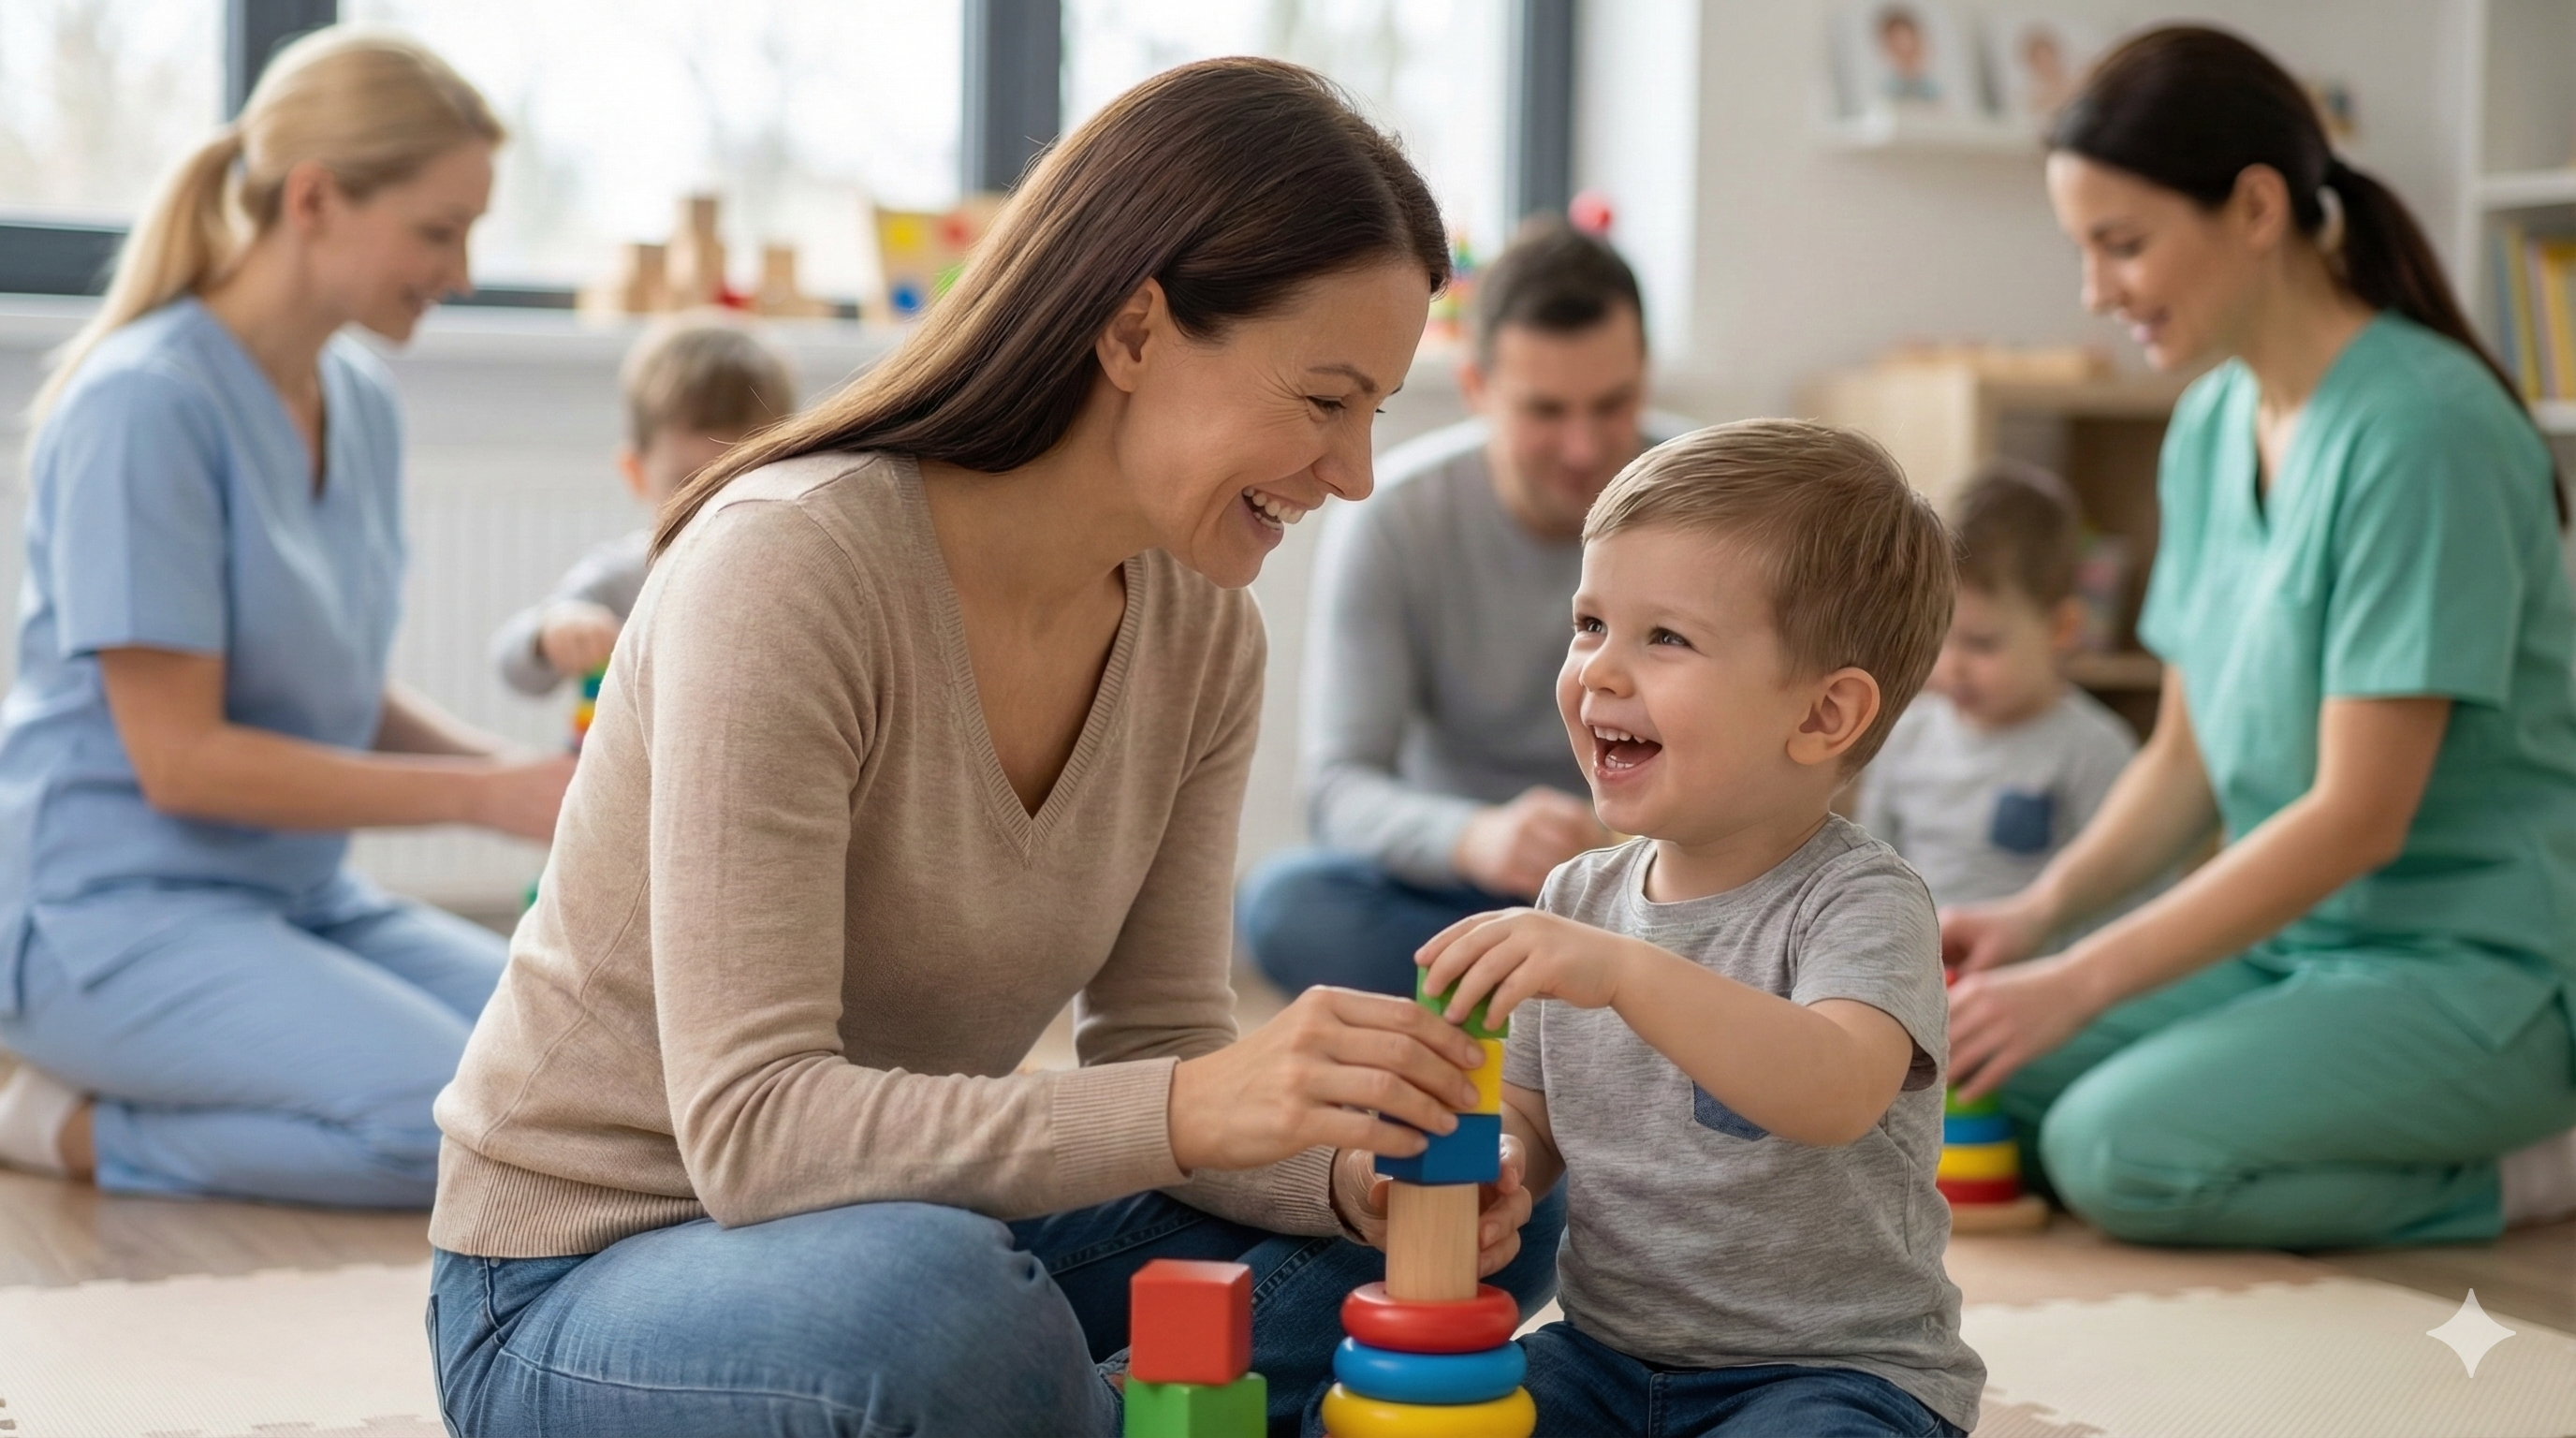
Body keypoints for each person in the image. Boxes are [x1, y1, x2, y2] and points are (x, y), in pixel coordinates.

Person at [426, 59, 1562, 1438]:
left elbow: (1155, 1041)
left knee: (1476, 1210)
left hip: (911, 1222)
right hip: (585, 1279)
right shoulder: (792, 567)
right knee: (938, 1310)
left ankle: (1075, 1408)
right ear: (1134, 332)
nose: (1357, 471)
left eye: (1377, 411)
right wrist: (1207, 1106)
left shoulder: (1202, 632)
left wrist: (1341, 1177)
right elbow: (756, 1135)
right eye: (1326, 400)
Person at [1943, 25, 2576, 1248]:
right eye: (2082, 249)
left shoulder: (2421, 431)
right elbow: (2185, 759)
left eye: (2121, 245)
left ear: (2254, 207)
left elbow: (2359, 816)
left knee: (2113, 1151)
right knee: (1961, 1072)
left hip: (2481, 969)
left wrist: (2083, 976)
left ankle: (2535, 1167)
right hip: (2294, 950)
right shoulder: (2210, 422)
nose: (2094, 291)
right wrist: (2040, 916)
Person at [0, 30, 570, 1208]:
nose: (459, 270)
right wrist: (484, 797)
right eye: (437, 229)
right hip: (96, 914)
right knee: (451, 1134)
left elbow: (325, 685)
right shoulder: (143, 407)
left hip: (296, 895)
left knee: (584, 1074)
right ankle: (55, 1123)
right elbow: (182, 759)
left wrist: (533, 780)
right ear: (313, 198)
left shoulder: (354, 396)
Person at [1411, 420, 1981, 1438]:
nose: (1600, 673)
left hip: (1831, 1376)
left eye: (1663, 638)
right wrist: (1502, 1167)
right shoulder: (1576, 898)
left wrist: (1626, 974)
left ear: (1822, 717)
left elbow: (1837, 1088)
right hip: (1602, 1359)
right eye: (1589, 625)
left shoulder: (1860, 901)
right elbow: (1538, 1123)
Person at [1239, 223, 1681, 997]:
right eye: (1546, 411)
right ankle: (1607, 1014)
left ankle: (1527, 1013)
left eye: (1612, 405)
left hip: (1664, 884)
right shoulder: (1397, 518)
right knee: (1287, 906)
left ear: (1646, 376)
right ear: (1477, 387)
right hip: (1475, 888)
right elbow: (1341, 789)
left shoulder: (1716, 510)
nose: (1583, 448)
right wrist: (1476, 837)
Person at [1856, 461, 2142, 918]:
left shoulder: (2095, 751)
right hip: (1913, 962)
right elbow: (1863, 869)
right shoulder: (1903, 735)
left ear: (2062, 628)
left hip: (2032, 973)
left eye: (1981, 643)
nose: (1952, 665)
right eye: (1936, 638)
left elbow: (2127, 899)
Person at [491, 313, 797, 696]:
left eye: (740, 479)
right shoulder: (623, 577)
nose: (713, 507)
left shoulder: (790, 582)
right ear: (637, 474)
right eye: (688, 482)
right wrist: (551, 633)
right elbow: (514, 668)